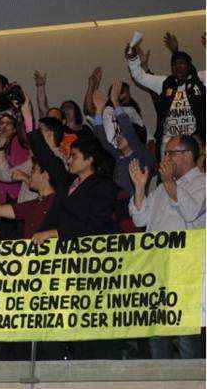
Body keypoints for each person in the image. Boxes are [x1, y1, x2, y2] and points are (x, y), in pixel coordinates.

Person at [128, 135, 205, 359]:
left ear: (188, 155)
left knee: (185, 337)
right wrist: (140, 188)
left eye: (170, 153)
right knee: (157, 334)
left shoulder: (202, 183)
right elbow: (139, 220)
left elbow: (191, 212)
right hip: (157, 267)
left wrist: (170, 182)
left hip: (186, 270)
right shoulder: (162, 188)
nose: (165, 158)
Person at [126, 38, 205, 156]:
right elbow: (140, 77)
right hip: (168, 143)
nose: (177, 67)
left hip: (194, 142)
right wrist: (132, 59)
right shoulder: (165, 82)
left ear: (188, 66)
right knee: (167, 173)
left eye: (181, 63)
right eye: (174, 64)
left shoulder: (200, 79)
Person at [32, 138, 117, 244]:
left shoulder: (103, 186)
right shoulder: (67, 185)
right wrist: (39, 234)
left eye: (74, 156)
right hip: (66, 250)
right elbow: (53, 216)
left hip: (93, 250)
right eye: (69, 156)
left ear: (89, 159)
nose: (68, 161)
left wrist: (54, 233)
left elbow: (96, 224)